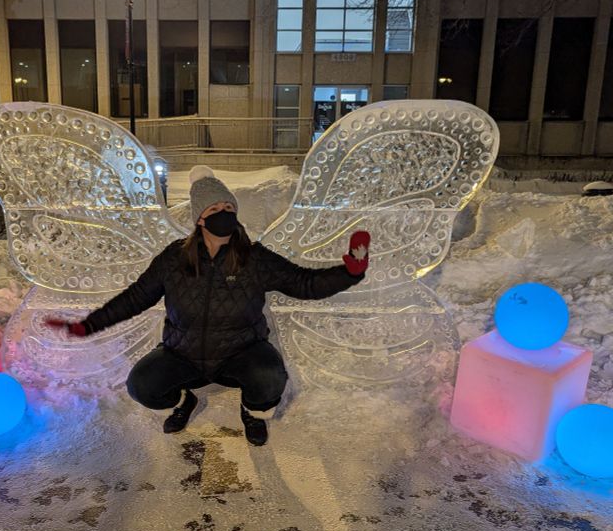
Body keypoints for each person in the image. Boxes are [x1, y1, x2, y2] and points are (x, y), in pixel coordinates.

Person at [46, 166, 370, 446]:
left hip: (241, 351)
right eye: (215, 209)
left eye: (229, 206)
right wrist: (88, 325)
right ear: (200, 219)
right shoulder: (174, 258)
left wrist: (350, 273)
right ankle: (185, 400)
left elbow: (305, 283)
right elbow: (135, 298)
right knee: (141, 385)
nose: (224, 213)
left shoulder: (254, 258)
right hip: (182, 353)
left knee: (270, 378)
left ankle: (252, 412)